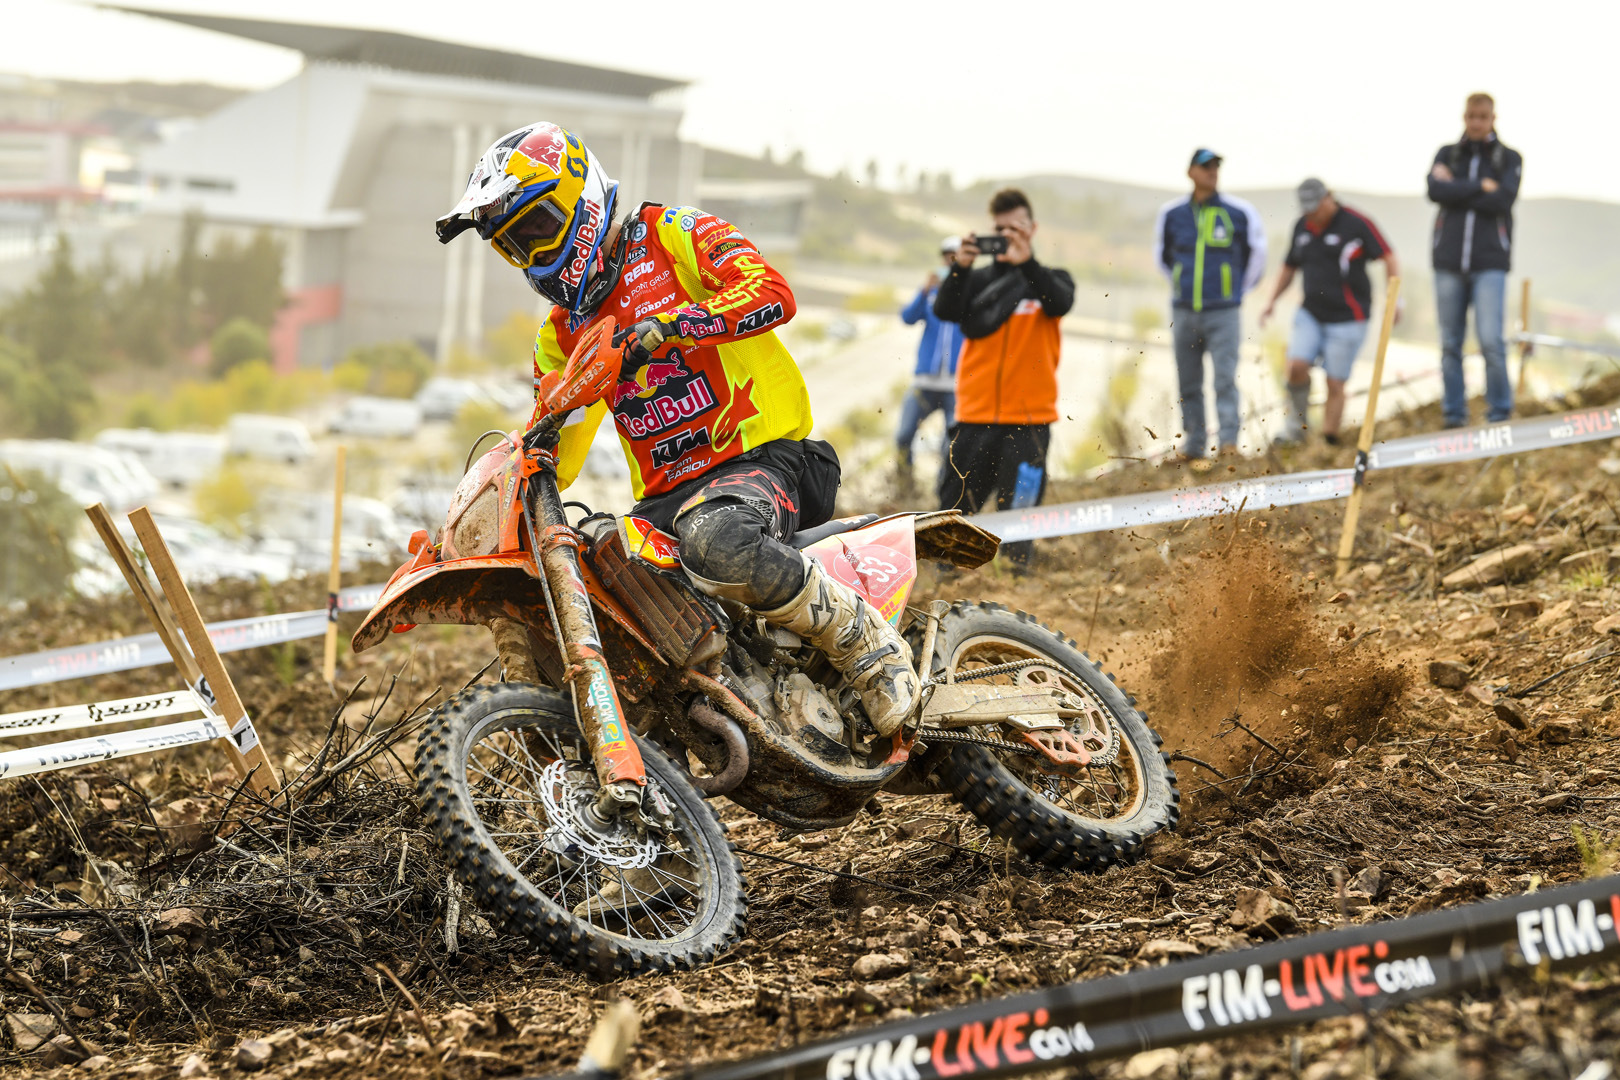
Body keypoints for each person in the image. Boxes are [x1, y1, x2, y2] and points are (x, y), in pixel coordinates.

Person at [434, 122, 919, 738]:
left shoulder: (673, 233)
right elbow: (558, 455)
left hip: (765, 461)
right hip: (667, 502)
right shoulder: (559, 336)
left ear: (580, 199)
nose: (531, 255)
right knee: (601, 576)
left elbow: (771, 293)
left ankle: (865, 643)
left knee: (715, 538)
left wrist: (672, 327)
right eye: (512, 246)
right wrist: (498, 498)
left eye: (536, 230)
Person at [934, 188, 1073, 571]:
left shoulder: (1050, 280)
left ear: (1033, 229)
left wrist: (1028, 264)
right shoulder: (976, 280)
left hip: (1029, 423)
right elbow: (944, 309)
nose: (1008, 235)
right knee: (954, 516)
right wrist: (961, 267)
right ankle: (947, 584)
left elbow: (1061, 301)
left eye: (1016, 228)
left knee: (1020, 522)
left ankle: (1014, 584)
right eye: (1000, 229)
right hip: (974, 418)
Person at [1259, 179, 1400, 445]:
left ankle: (1328, 439)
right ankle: (1296, 430)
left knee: (1335, 382)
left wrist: (1396, 300)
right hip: (1311, 313)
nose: (1312, 214)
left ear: (1328, 198)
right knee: (1296, 366)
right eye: (1306, 209)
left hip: (1349, 317)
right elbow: (1289, 266)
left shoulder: (1357, 223)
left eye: (1315, 207)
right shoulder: (1302, 226)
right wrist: (1271, 301)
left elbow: (1389, 257)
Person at [1152, 149, 1267, 464]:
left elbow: (1257, 257)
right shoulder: (1172, 214)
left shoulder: (1239, 212)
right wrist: (1181, 285)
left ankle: (1229, 444)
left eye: (1216, 166)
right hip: (1183, 310)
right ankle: (1193, 444)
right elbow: (1163, 257)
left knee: (1224, 379)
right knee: (1188, 380)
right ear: (1190, 172)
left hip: (1224, 311)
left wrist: (1235, 291)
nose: (1212, 171)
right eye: (1205, 166)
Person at [1428, 92, 1522, 428]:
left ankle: (1499, 412)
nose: (1477, 122)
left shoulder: (1509, 157)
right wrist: (1480, 186)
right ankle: (1454, 414)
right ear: (1464, 117)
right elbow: (1435, 191)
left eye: (1483, 117)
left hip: (1490, 263)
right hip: (1448, 262)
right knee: (1449, 343)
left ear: (1493, 119)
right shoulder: (1447, 153)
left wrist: (1456, 188)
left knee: (1491, 340)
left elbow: (1503, 200)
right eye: (1471, 116)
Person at [895, 237, 963, 483]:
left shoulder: (971, 291)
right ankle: (905, 484)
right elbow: (908, 317)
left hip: (957, 385)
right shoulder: (931, 290)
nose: (950, 260)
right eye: (947, 256)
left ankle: (942, 492)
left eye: (955, 256)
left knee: (951, 446)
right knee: (903, 434)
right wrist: (924, 290)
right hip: (924, 380)